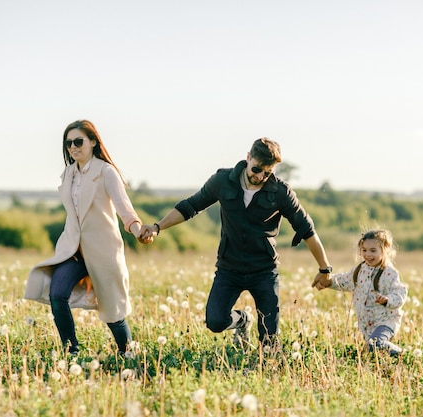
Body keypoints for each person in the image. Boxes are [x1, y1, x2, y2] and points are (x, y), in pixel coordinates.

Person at [140, 138, 333, 349]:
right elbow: (191, 206)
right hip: (229, 268)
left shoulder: (281, 192)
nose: (260, 176)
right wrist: (157, 227)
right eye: (257, 169)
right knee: (215, 322)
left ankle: (262, 369)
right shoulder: (223, 180)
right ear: (248, 157)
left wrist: (325, 269)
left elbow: (307, 230)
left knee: (269, 340)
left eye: (267, 173)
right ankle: (243, 320)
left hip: (264, 270)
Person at [24, 119, 152, 356]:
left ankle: (128, 353)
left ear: (93, 142)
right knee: (57, 295)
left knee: (112, 310)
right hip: (73, 251)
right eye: (68, 143)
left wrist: (138, 232)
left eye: (78, 141)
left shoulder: (106, 172)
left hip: (102, 251)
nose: (73, 147)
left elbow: (125, 210)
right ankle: (70, 351)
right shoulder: (69, 173)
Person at [312, 229, 407, 357]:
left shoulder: (389, 273)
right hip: (367, 323)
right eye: (364, 250)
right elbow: (344, 280)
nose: (368, 254)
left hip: (386, 321)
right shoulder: (360, 270)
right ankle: (391, 365)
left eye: (373, 250)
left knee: (376, 344)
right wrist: (327, 282)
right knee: (373, 351)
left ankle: (402, 355)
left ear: (385, 250)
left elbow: (400, 293)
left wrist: (387, 300)